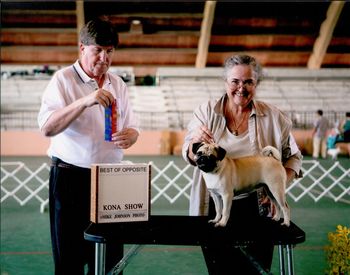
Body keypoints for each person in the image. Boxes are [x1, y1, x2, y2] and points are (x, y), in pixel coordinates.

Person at [182, 54, 303, 275]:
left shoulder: (276, 117)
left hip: (258, 209)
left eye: (249, 82)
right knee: (219, 270)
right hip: (213, 205)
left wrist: (277, 186)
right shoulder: (206, 112)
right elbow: (188, 152)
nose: (241, 88)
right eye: (235, 81)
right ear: (226, 82)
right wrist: (194, 143)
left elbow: (294, 157)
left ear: (256, 84)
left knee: (256, 270)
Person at [38, 18, 139, 274]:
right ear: (82, 48)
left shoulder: (118, 84)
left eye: (110, 51)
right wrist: (84, 102)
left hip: (110, 179)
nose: (104, 58)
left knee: (110, 259)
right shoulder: (62, 80)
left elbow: (132, 126)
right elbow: (47, 128)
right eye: (98, 50)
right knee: (69, 259)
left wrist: (131, 135)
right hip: (71, 177)